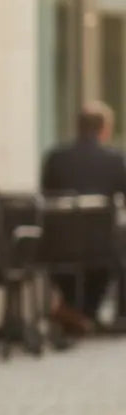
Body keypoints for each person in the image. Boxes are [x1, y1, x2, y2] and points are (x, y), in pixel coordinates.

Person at [41, 101, 126, 328]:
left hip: (57, 246)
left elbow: (45, 196)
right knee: (117, 254)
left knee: (73, 268)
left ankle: (75, 312)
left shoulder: (54, 158)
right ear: (104, 130)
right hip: (101, 247)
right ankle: (91, 314)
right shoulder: (114, 159)